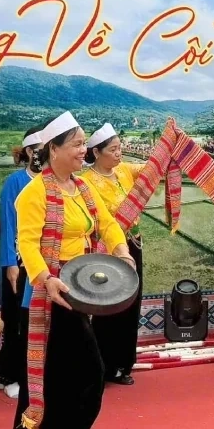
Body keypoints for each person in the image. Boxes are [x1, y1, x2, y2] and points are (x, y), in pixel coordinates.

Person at [10, 111, 135, 429]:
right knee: (84, 369)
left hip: (79, 285)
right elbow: (27, 243)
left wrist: (121, 249)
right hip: (55, 291)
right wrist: (45, 280)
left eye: (84, 143)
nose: (85, 150)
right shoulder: (35, 193)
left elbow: (107, 223)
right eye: (78, 144)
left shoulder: (82, 187)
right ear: (53, 149)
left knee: (52, 367)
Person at [80, 123, 148, 386]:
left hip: (133, 243)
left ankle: (124, 363)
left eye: (120, 148)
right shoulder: (85, 181)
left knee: (131, 301)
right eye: (113, 149)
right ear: (96, 152)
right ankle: (102, 365)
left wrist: (170, 144)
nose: (119, 153)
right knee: (107, 306)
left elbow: (153, 170)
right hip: (105, 248)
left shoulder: (125, 170)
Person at [0, 125, 44, 399]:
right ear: (29, 151)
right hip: (20, 263)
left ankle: (38, 372)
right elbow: (7, 225)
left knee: (39, 321)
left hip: (46, 263)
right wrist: (9, 264)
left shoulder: (54, 180)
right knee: (15, 320)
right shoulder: (15, 182)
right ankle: (10, 374)